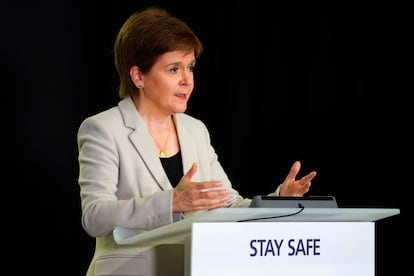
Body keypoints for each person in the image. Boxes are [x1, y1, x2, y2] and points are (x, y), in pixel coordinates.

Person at [77, 6, 317, 276]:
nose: (187, 80)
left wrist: (278, 200)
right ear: (138, 76)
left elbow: (226, 205)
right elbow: (95, 216)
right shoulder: (102, 129)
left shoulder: (195, 130)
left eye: (190, 67)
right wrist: (171, 202)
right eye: (173, 69)